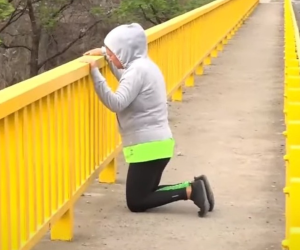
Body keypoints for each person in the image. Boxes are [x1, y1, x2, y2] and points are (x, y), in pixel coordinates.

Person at [81, 23, 215, 217]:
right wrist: (104, 53)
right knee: (144, 194)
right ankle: (194, 187)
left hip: (149, 147)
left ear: (124, 52)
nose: (110, 57)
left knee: (136, 201)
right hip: (156, 144)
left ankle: (192, 190)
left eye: (112, 53)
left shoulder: (136, 71)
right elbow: (125, 79)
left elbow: (116, 102)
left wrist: (95, 74)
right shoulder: (143, 66)